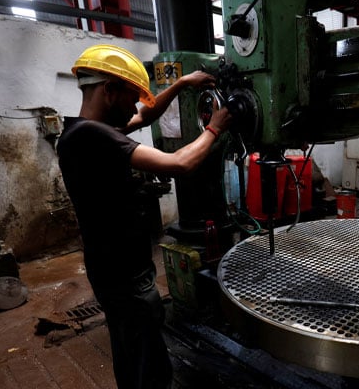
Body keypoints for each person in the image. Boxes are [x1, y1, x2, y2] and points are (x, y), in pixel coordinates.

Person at [56, 44, 233, 389]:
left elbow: (145, 117)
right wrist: (214, 127)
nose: (136, 106)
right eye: (132, 96)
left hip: (110, 270)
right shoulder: (95, 136)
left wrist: (183, 84)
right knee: (149, 367)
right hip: (125, 278)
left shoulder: (79, 130)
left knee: (131, 354)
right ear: (109, 90)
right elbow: (181, 164)